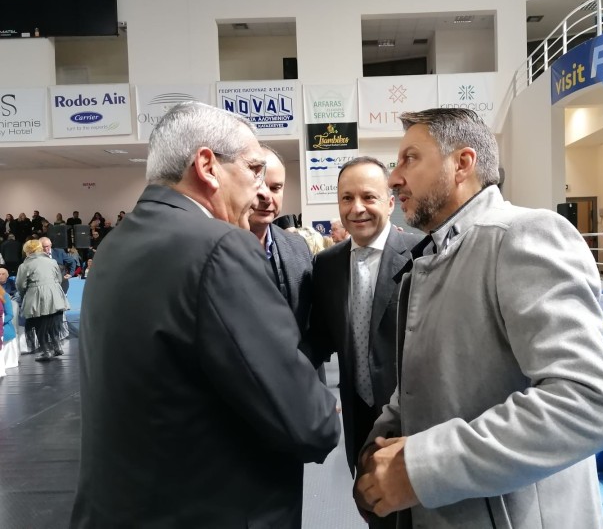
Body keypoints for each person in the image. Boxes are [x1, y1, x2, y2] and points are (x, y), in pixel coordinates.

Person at [69, 101, 340, 529]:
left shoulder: (115, 245)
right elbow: (307, 422)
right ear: (208, 166)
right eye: (253, 169)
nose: (260, 190)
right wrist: (325, 408)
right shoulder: (219, 247)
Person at [354, 109, 603, 529]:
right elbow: (426, 386)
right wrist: (378, 446)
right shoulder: (434, 257)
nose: (394, 178)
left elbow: (588, 403)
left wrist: (422, 468)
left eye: (410, 158)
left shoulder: (523, 235)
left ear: (462, 163)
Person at [309, 156, 421, 529]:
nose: (357, 208)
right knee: (374, 509)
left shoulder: (423, 255)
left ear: (389, 202)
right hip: (357, 417)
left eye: (368, 197)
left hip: (413, 416)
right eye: (347, 198)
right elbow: (319, 339)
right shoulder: (326, 265)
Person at [247, 145, 322, 381]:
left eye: (276, 187)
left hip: (296, 382)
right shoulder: (210, 247)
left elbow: (314, 326)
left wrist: (300, 371)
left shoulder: (298, 247)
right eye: (258, 186)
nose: (266, 196)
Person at [16, 239, 69, 362]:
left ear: (27, 251)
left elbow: (20, 285)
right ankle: (57, 346)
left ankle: (46, 351)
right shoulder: (52, 261)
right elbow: (59, 278)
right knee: (53, 321)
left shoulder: (25, 265)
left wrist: (25, 295)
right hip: (55, 295)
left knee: (39, 324)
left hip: (37, 296)